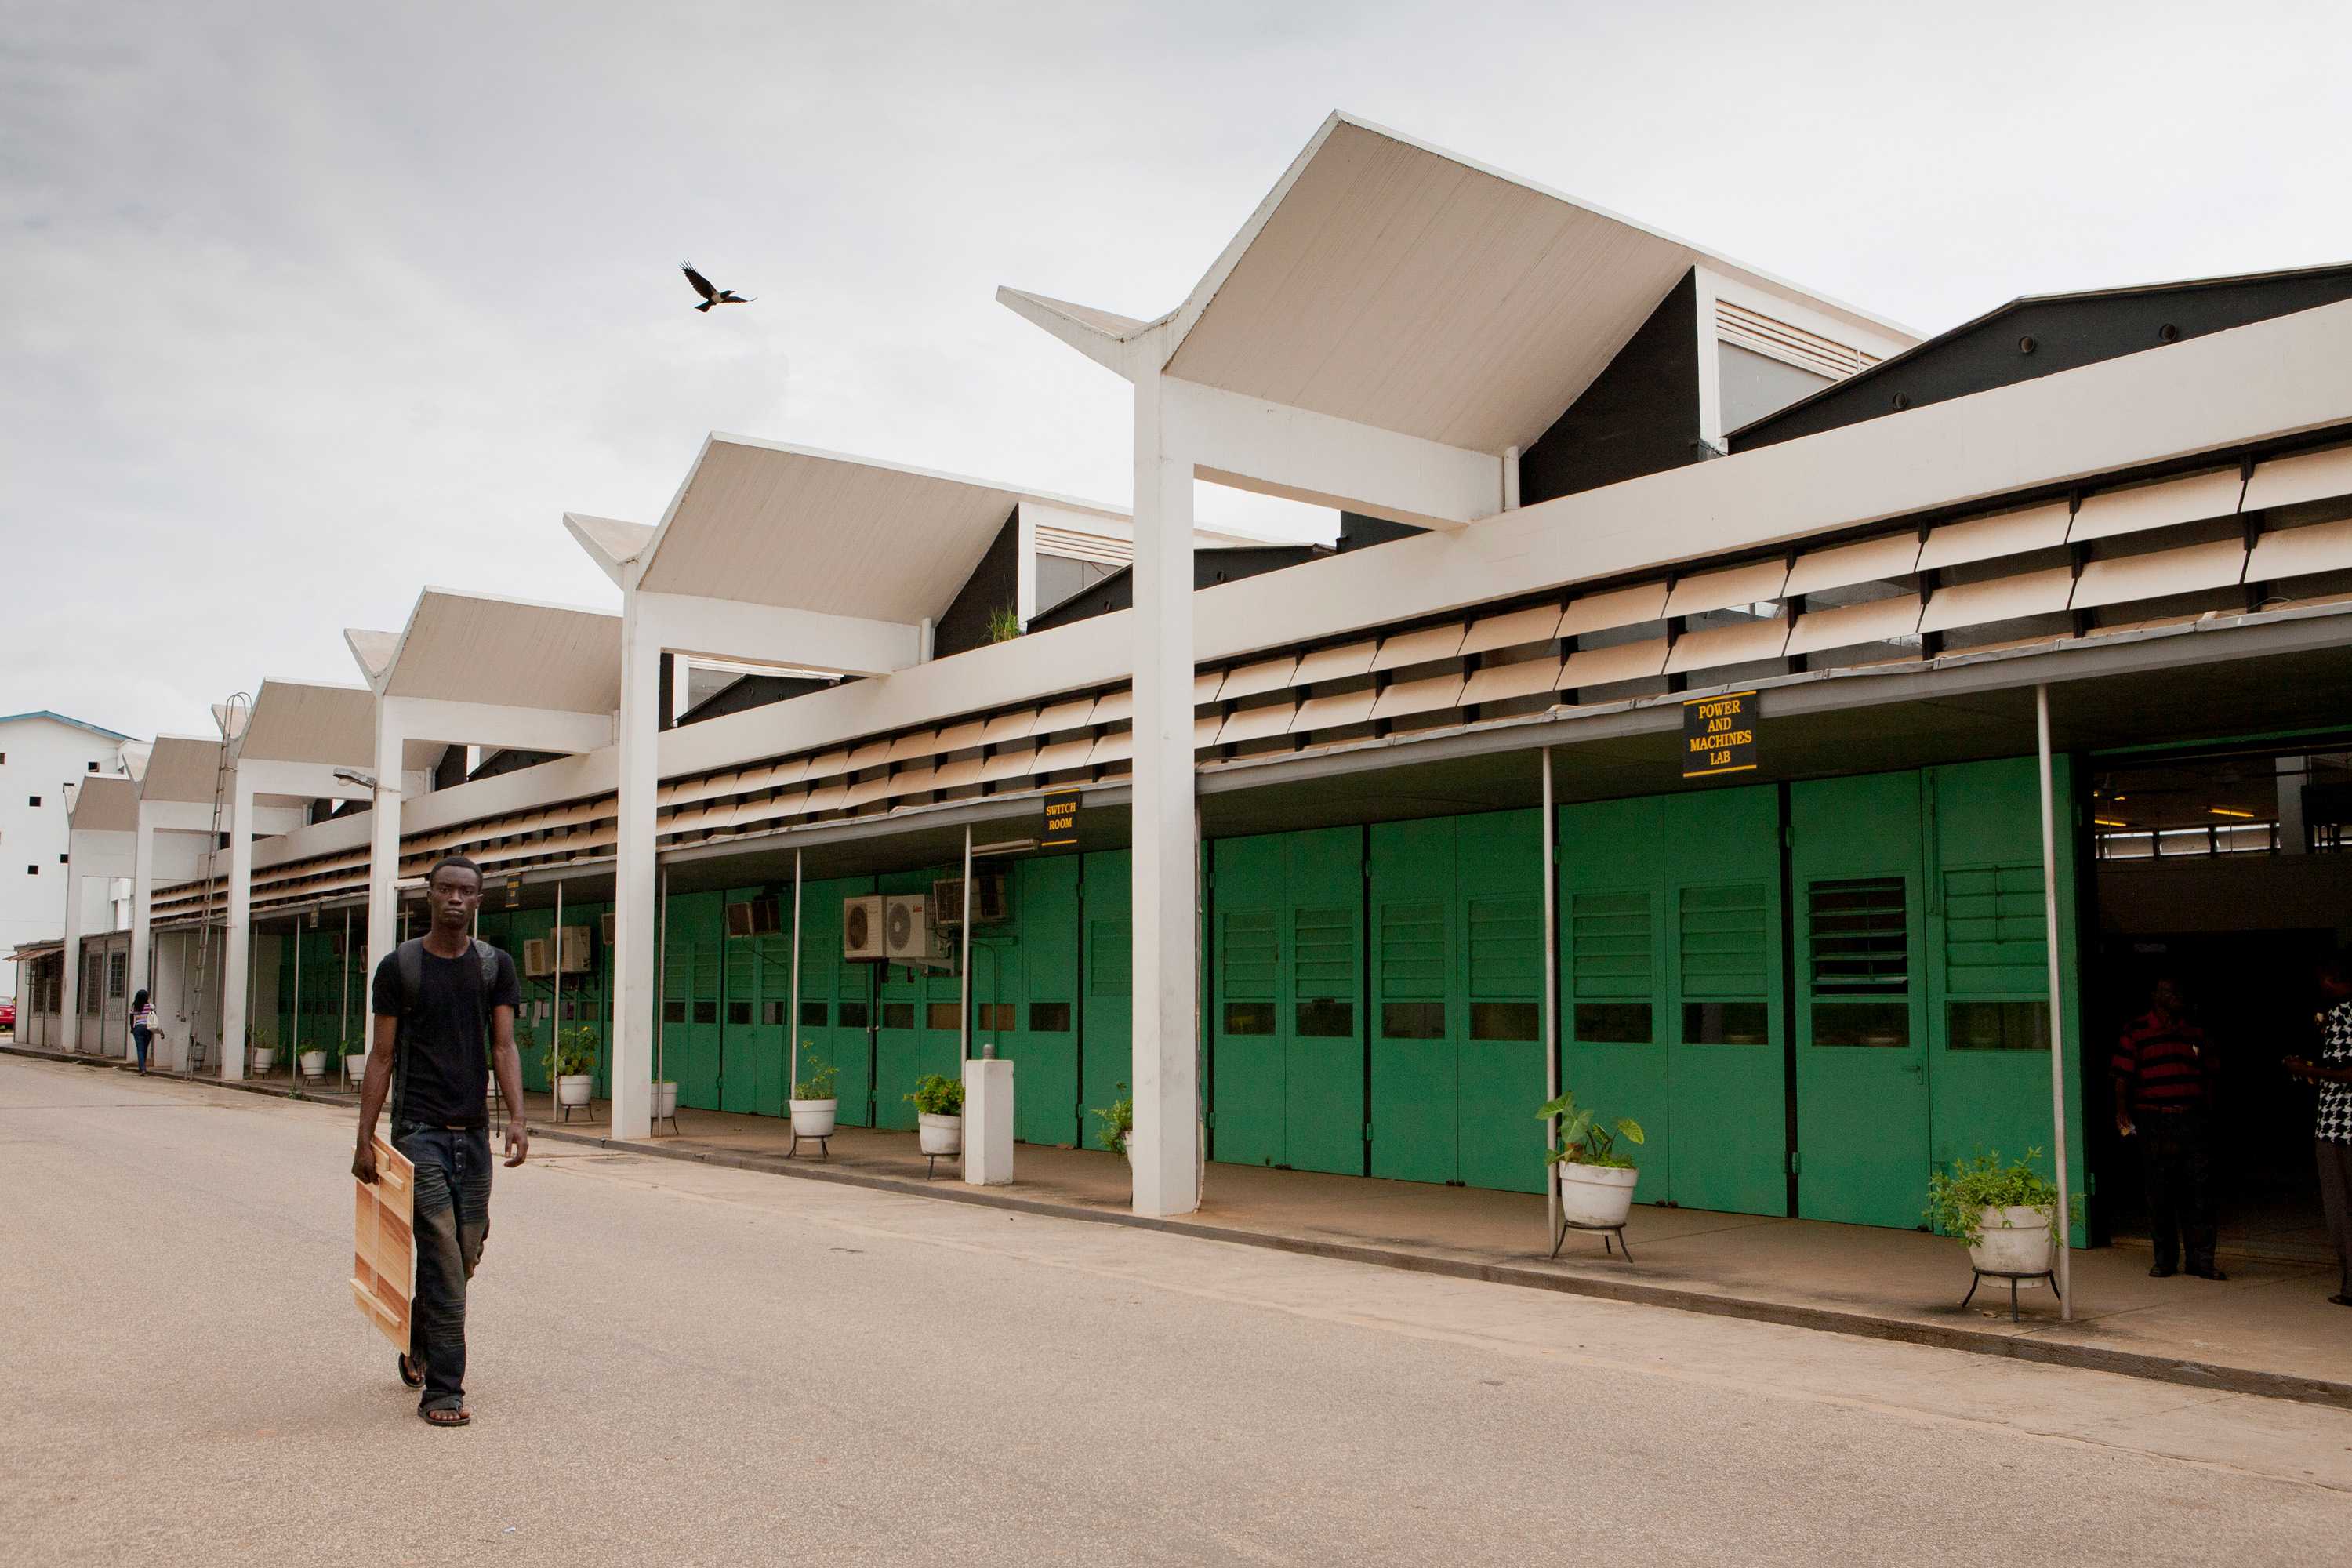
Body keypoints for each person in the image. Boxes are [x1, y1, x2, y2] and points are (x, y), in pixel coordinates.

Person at [351, 855, 527, 1428]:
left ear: (480, 901)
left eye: (467, 891)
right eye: (446, 889)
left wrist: (519, 1121)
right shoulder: (400, 967)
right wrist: (365, 1140)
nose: (455, 898)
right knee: (445, 1260)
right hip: (419, 1134)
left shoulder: (493, 966)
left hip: (473, 1136)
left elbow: (503, 1048)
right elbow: (381, 1056)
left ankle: (419, 1338)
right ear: (427, 895)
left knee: (465, 1254)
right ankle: (444, 1392)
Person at [2111, 977, 2224, 1280]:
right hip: (2154, 1120)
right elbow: (2122, 1076)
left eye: (2179, 991)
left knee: (2199, 1192)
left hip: (2192, 1118)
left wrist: (2207, 1111)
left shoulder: (2194, 1029)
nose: (2176, 996)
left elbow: (2211, 1072)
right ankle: (2165, 1260)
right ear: (2155, 995)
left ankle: (2202, 1261)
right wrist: (2122, 1114)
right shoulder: (2136, 1030)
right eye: (2169, 992)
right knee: (2159, 1192)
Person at [2285, 953, 2352, 1308]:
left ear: (2331, 978)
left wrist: (2302, 1067)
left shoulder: (2343, 1013)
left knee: (2342, 1210)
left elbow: (2348, 1073)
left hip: (2339, 1128)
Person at [128, 989, 157, 1075]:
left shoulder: (134, 1006)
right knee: (145, 1048)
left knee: (140, 1049)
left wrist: (132, 1029)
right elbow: (154, 1017)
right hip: (148, 1028)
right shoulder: (151, 1006)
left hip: (138, 1028)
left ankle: (142, 1069)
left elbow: (131, 1018)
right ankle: (143, 1068)